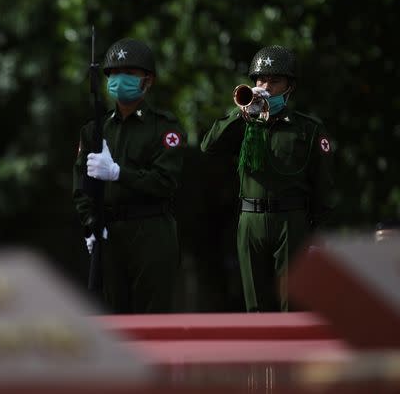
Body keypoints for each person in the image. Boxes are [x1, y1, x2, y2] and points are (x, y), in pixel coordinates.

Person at [201, 45, 335, 312]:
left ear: (289, 87)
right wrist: (239, 115)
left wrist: (318, 237)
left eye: (274, 81)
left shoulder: (307, 129)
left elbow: (322, 187)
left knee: (292, 305)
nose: (265, 86)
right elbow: (208, 146)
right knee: (256, 309)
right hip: (250, 220)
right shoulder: (244, 123)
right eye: (261, 80)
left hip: (290, 221)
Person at [72, 38, 185, 313]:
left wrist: (118, 173)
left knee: (152, 319)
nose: (120, 80)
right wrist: (90, 222)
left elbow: (165, 182)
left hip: (151, 230)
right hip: (109, 232)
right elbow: (81, 186)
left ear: (148, 81)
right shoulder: (93, 131)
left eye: (130, 74)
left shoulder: (164, 128)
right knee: (115, 321)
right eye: (114, 74)